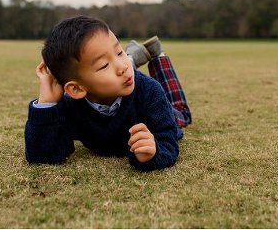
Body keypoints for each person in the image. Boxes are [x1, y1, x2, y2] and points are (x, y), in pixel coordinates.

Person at [24, 15, 191, 171]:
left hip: (157, 108)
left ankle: (158, 56)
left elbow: (167, 143)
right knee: (123, 73)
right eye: (104, 65)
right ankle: (132, 57)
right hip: (119, 84)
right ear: (76, 89)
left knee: (180, 112)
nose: (122, 66)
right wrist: (47, 103)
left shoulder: (149, 92)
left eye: (120, 52)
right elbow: (42, 155)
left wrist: (153, 153)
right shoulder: (70, 106)